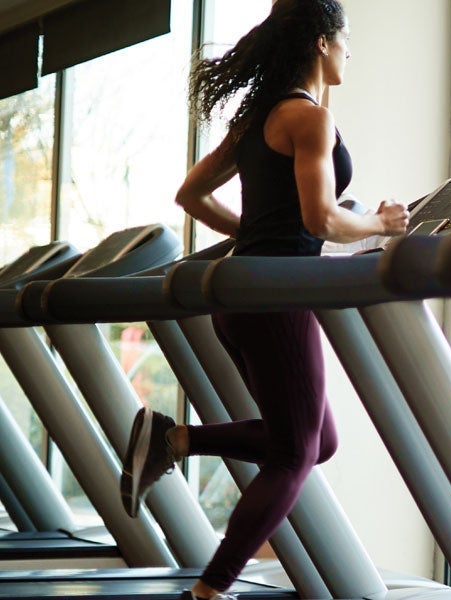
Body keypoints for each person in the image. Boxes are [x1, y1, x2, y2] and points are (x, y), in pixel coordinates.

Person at [118, 1, 408, 599]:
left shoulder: (259, 120)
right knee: (294, 456)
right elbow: (323, 219)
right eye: (345, 40)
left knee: (315, 442)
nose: (350, 51)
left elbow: (191, 194)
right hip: (276, 299)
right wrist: (380, 224)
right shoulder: (309, 121)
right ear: (323, 43)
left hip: (244, 295)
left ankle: (176, 440)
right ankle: (210, 590)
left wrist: (252, 235)